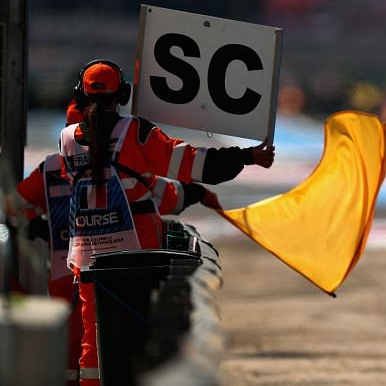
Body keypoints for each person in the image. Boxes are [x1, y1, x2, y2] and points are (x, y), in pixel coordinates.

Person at [60, 59, 274, 385]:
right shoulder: (136, 133)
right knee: (142, 335)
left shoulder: (66, 140)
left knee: (94, 341)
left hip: (87, 257)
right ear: (124, 94)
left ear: (80, 94)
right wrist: (246, 156)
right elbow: (195, 164)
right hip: (136, 255)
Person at [10, 102, 222, 385]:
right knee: (115, 338)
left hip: (67, 270)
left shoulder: (50, 167)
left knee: (77, 352)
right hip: (118, 264)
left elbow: (14, 207)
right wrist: (199, 193)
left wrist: (43, 226)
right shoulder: (121, 164)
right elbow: (170, 196)